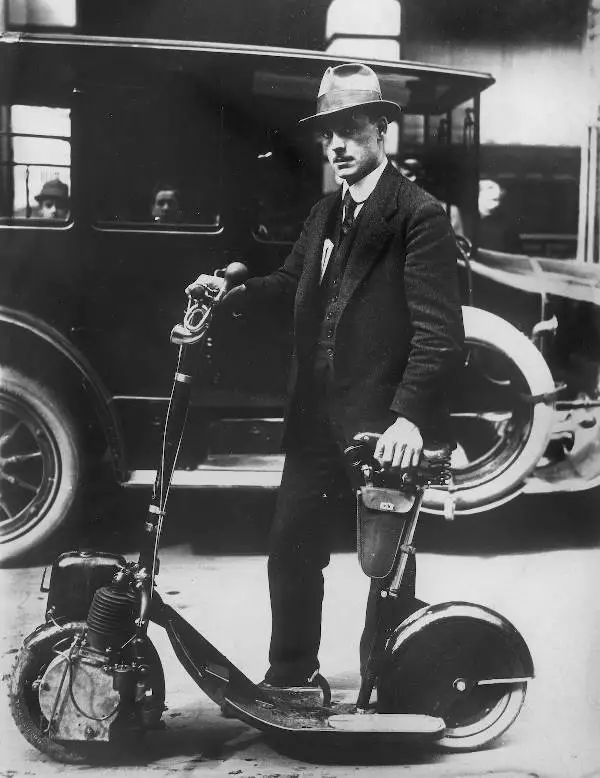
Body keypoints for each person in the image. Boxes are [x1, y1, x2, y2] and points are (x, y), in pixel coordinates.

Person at [187, 63, 464, 691]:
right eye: (327, 135)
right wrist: (227, 295)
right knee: (290, 549)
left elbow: (440, 334)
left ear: (382, 130)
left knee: (384, 563)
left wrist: (410, 417)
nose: (337, 146)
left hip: (380, 428)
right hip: (314, 423)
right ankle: (290, 676)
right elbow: (291, 285)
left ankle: (389, 686)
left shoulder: (418, 216)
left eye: (350, 130)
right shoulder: (325, 213)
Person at [477, 178, 523, 253]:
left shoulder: (506, 225)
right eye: (490, 188)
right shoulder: (465, 222)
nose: (498, 191)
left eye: (498, 188)